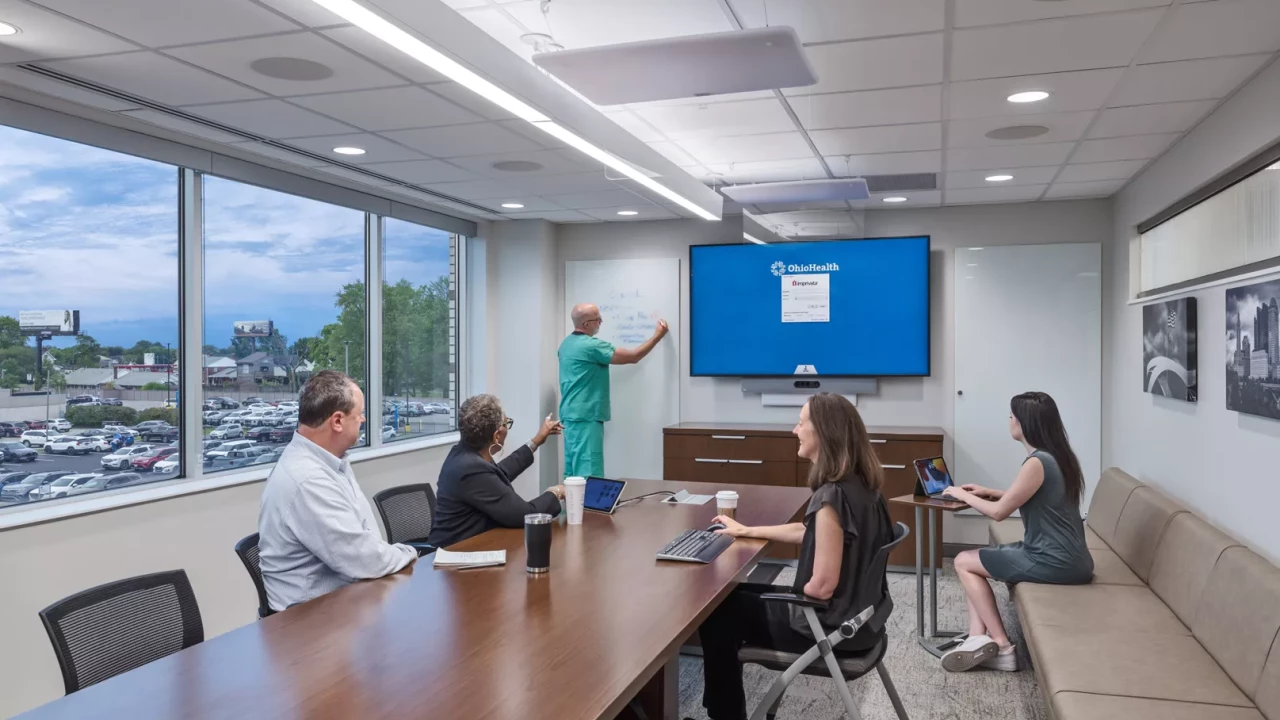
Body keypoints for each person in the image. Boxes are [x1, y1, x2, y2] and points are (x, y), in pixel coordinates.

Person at [690, 393, 894, 720]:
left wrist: (789, 597)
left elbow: (821, 587)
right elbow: (811, 531)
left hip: (828, 627)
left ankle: (725, 715)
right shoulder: (863, 486)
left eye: (801, 423)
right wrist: (746, 530)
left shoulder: (830, 497)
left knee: (718, 611)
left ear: (824, 433)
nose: (794, 430)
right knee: (730, 596)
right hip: (863, 622)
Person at [938, 391, 1093, 673]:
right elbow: (1035, 496)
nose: (1009, 420)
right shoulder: (1058, 456)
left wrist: (961, 493)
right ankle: (976, 639)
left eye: (1011, 416)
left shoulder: (1037, 462)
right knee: (972, 560)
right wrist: (988, 491)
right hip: (1072, 558)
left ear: (1023, 423)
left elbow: (999, 513)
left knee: (962, 561)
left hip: (1052, 560)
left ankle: (1003, 647)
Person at [258, 370, 417, 612]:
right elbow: (366, 559)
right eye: (360, 414)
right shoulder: (307, 479)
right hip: (308, 625)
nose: (363, 420)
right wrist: (410, 552)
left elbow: (366, 539)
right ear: (338, 421)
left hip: (346, 602)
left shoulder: (330, 462)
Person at [429, 394, 566, 548]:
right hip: (454, 556)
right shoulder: (470, 469)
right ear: (496, 436)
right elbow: (525, 515)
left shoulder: (464, 454)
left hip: (471, 547)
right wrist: (557, 491)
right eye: (506, 423)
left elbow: (499, 472)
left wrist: (536, 441)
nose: (508, 426)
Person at [557, 303, 668, 478]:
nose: (601, 321)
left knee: (572, 474)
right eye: (597, 319)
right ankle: (589, 507)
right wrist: (657, 336)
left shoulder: (566, 344)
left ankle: (570, 507)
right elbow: (633, 357)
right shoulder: (591, 346)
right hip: (586, 417)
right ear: (586, 324)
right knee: (588, 474)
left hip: (570, 417)